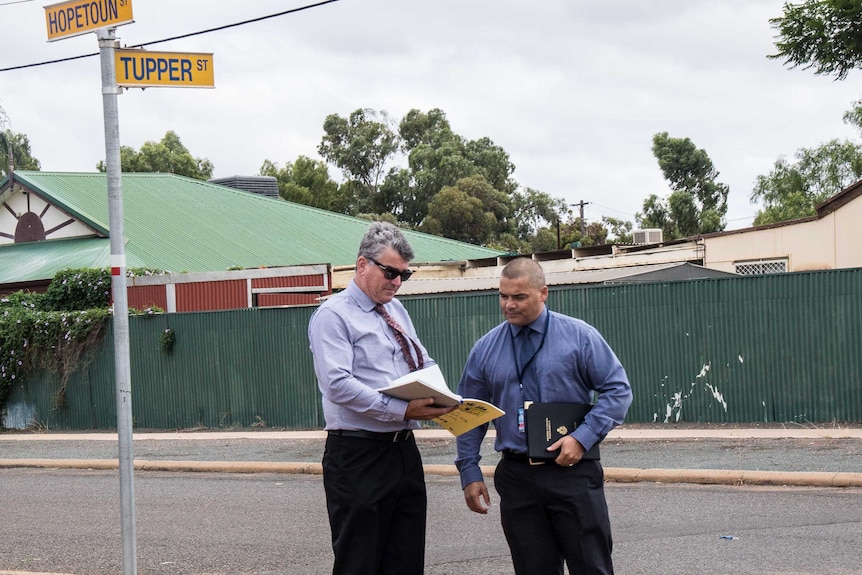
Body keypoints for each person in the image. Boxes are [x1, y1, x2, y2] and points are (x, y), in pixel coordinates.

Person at [455, 257, 633, 575]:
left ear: (543, 293)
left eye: (519, 297)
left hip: (573, 473)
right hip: (517, 477)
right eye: (503, 296)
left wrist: (582, 437)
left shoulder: (580, 337)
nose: (509, 305)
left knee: (591, 567)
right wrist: (469, 471)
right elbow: (470, 412)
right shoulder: (484, 349)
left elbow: (618, 391)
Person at [308, 221, 456, 575]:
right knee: (359, 562)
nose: (396, 282)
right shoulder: (333, 315)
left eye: (404, 275)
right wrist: (402, 408)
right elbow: (338, 384)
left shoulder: (395, 310)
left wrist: (444, 396)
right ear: (362, 265)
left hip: (402, 451)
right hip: (358, 454)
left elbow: (422, 361)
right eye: (390, 272)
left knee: (405, 560)